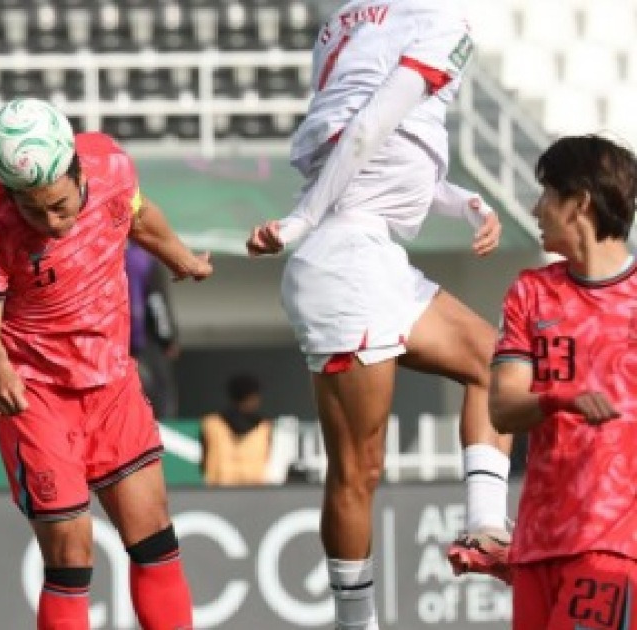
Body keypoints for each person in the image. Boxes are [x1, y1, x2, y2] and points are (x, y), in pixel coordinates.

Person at [244, 1, 513, 627]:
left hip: (371, 253)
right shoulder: (445, 21)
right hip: (345, 260)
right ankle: (354, 623)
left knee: (496, 364)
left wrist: (463, 201)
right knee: (359, 471)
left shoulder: (342, 22)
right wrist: (302, 219)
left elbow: (375, 151)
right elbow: (366, 130)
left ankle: (485, 530)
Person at [0, 97, 211, 630]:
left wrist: (181, 256)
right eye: (32, 210)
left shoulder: (114, 165)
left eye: (59, 205)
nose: (50, 223)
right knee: (71, 556)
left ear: (78, 171)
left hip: (113, 385)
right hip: (36, 394)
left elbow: (140, 217)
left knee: (154, 535)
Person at [491, 135, 637, 630]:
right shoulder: (530, 293)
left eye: (547, 195)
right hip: (536, 545)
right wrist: (559, 398)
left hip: (615, 545)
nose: (536, 209)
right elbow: (503, 407)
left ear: (579, 203)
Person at [126, 242, 181, 419]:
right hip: (146, 338)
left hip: (117, 339)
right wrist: (168, 338)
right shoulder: (146, 260)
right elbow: (157, 303)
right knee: (158, 389)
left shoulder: (111, 255)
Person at [200, 373, 272, 486]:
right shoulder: (264, 428)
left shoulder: (211, 424)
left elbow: (203, 462)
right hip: (255, 492)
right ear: (254, 397)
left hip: (218, 491)